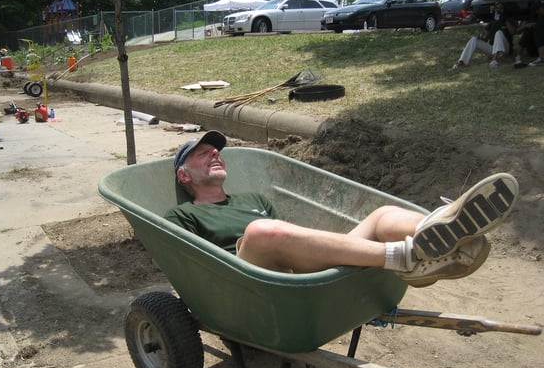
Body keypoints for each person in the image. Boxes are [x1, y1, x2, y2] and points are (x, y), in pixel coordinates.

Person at [165, 131, 519, 288]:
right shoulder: (182, 216)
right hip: (246, 281)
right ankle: (409, 257)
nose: (215, 153)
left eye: (217, 150)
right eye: (203, 152)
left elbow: (292, 241)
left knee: (381, 215)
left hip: (296, 269)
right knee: (261, 232)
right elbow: (198, 270)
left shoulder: (254, 201)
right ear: (184, 175)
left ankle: (450, 232)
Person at [451, 2, 516, 69]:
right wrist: (479, 38)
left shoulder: (508, 19)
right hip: (493, 49)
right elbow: (485, 38)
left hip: (505, 48)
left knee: (499, 32)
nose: (499, 10)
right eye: (497, 8)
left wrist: (505, 19)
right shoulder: (492, 23)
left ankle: (494, 60)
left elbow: (513, 32)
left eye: (501, 8)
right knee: (474, 39)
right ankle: (462, 62)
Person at [514, 0, 544, 68]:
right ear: (537, 11)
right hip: (534, 48)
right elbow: (516, 32)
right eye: (542, 8)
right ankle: (518, 57)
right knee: (528, 30)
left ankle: (542, 57)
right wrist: (525, 26)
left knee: (537, 27)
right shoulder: (533, 20)